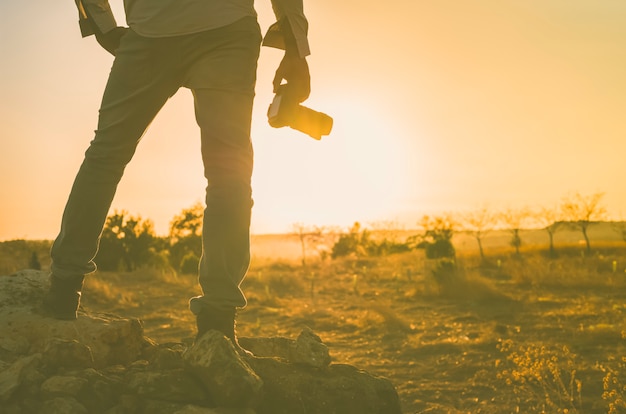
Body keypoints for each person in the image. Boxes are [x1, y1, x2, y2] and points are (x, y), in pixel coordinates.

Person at [43, 0, 312, 354]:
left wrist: (103, 25)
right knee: (228, 174)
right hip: (224, 28)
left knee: (105, 156)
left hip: (157, 30)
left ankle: (64, 287)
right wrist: (295, 46)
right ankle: (218, 321)